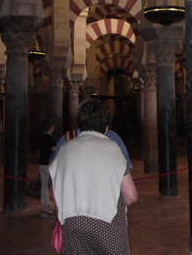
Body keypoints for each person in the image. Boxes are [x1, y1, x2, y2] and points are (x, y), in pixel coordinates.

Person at [49, 99, 138, 254]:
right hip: (107, 223)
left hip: (71, 223)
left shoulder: (65, 149)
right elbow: (131, 195)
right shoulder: (113, 148)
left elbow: (54, 193)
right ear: (105, 128)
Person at [37, 118, 56, 218]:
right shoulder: (50, 138)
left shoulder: (41, 137)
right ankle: (47, 207)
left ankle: (43, 207)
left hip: (41, 163)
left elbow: (39, 152)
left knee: (43, 186)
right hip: (48, 164)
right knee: (48, 186)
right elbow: (54, 150)